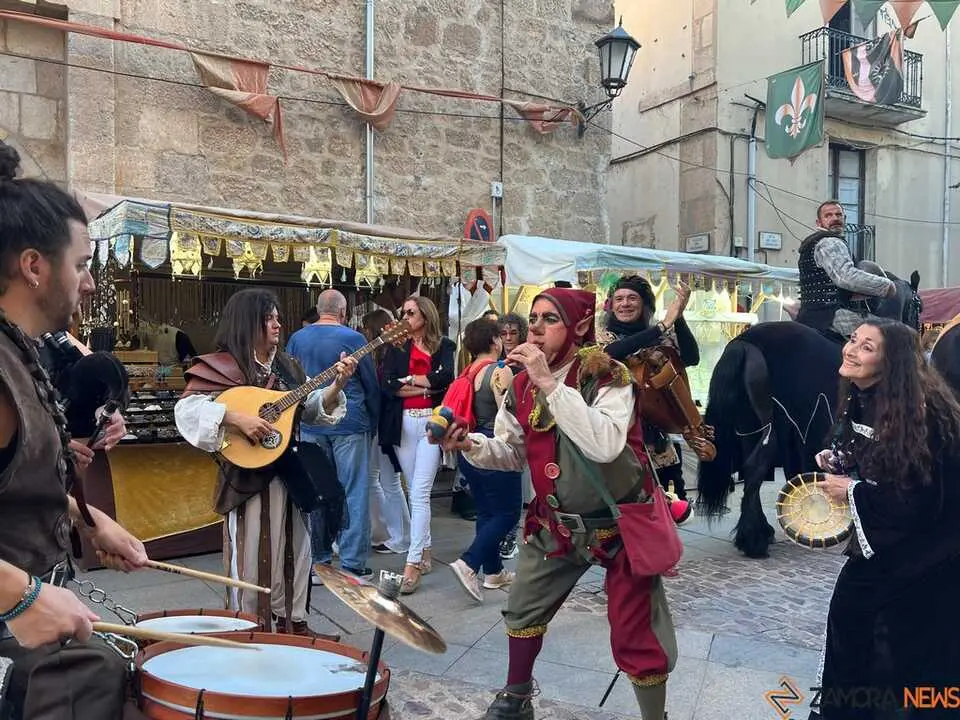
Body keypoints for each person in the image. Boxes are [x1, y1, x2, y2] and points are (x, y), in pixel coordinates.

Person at [439, 288, 677, 720]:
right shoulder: (519, 383)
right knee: (523, 606)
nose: (534, 327)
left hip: (620, 525)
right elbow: (513, 451)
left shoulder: (608, 375)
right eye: (533, 318)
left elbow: (604, 444)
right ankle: (516, 696)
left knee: (635, 631)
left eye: (549, 319)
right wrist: (471, 444)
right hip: (556, 525)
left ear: (580, 327)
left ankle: (654, 716)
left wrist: (549, 381)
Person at [0, 141, 147, 719]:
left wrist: (88, 519)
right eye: (82, 264)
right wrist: (22, 597)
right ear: (35, 267)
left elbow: (14, 478)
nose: (89, 283)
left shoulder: (22, 351)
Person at [174, 288, 355, 636]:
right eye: (269, 317)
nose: (277, 324)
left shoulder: (288, 366)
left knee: (297, 550)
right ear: (248, 322)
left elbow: (310, 411)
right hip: (246, 479)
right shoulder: (222, 366)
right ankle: (248, 628)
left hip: (289, 472)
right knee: (251, 554)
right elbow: (187, 411)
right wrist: (236, 418)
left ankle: (293, 623)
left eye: (276, 317)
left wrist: (336, 386)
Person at [811, 319, 960, 719]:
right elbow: (875, 456)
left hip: (926, 557)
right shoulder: (861, 395)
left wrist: (853, 490)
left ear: (890, 363)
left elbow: (919, 497)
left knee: (899, 652)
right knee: (852, 621)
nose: (851, 350)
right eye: (853, 340)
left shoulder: (921, 414)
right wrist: (841, 460)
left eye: (866, 347)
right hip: (890, 545)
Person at [287, 289, 380, 578]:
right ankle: (352, 563)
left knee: (318, 491)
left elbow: (289, 380)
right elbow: (370, 383)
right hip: (350, 423)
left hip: (311, 424)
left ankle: (319, 560)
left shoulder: (296, 339)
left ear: (318, 309)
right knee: (354, 491)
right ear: (343, 312)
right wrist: (374, 421)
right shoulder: (353, 339)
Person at [379, 295, 455, 594]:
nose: (405, 316)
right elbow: (388, 384)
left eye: (410, 312)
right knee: (413, 489)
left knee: (421, 492)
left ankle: (411, 564)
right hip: (403, 424)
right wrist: (426, 384)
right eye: (403, 312)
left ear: (425, 314)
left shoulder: (444, 345)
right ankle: (424, 550)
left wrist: (409, 379)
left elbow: (445, 377)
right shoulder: (397, 346)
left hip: (431, 424)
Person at [600, 276, 698, 503]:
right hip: (620, 439)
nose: (625, 303)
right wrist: (662, 325)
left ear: (644, 304)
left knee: (672, 505)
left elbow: (692, 358)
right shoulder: (602, 335)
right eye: (619, 299)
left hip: (659, 438)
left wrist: (678, 317)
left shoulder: (661, 335)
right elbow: (612, 352)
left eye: (632, 298)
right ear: (611, 305)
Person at [448, 318, 521, 602]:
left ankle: (493, 572)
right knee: (508, 514)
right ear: (495, 341)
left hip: (471, 448)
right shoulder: (499, 372)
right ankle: (469, 563)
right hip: (496, 448)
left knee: (487, 512)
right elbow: (509, 415)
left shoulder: (468, 372)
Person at [796, 201, 896, 342]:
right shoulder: (830, 242)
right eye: (828, 215)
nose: (835, 218)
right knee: (892, 334)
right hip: (833, 317)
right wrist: (886, 286)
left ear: (844, 219)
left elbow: (831, 285)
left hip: (808, 315)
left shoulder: (811, 244)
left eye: (839, 215)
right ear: (819, 223)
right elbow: (845, 276)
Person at [361, 309, 411, 556]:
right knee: (380, 479)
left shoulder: (388, 355)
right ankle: (389, 532)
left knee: (388, 481)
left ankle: (400, 537)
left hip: (386, 422)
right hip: (384, 422)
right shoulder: (383, 356)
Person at [496, 312, 529, 560]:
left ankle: (510, 536)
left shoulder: (528, 357)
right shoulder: (495, 357)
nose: (508, 337)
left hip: (521, 424)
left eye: (513, 332)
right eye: (504, 332)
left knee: (514, 482)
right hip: (497, 424)